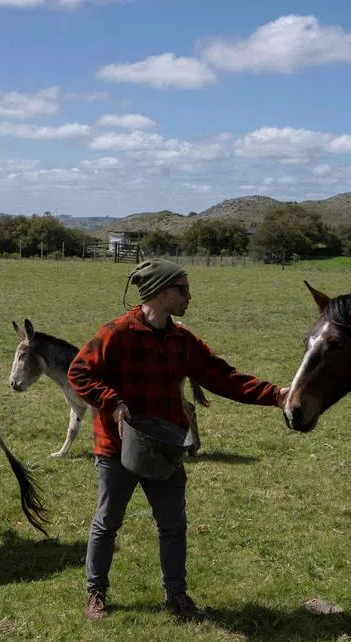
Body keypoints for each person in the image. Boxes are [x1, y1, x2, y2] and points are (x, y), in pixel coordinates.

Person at [68, 259, 286, 621]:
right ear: (161, 292)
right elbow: (79, 371)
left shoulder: (181, 340)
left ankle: (177, 595)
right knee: (107, 521)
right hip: (116, 447)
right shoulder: (116, 334)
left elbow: (223, 377)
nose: (189, 296)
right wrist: (113, 403)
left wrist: (276, 394)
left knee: (173, 523)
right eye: (182, 289)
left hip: (164, 447)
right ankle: (96, 592)